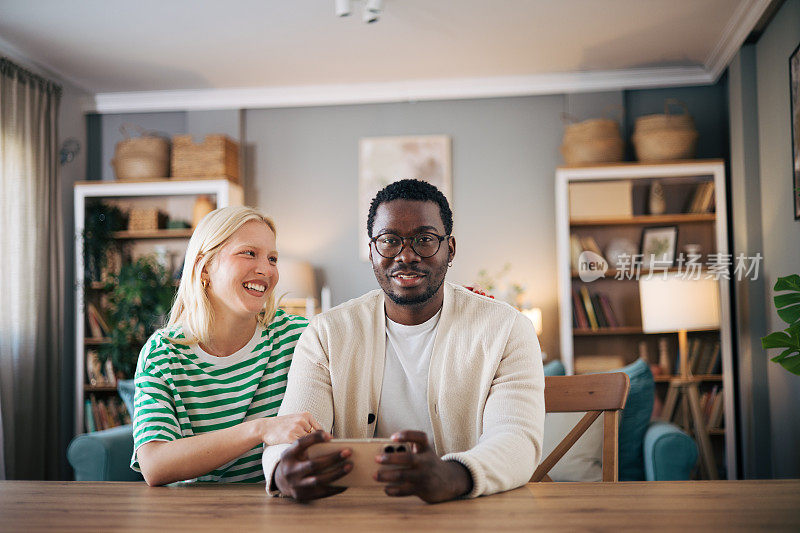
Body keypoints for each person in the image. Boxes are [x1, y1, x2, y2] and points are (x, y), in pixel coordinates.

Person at [262, 179, 544, 502]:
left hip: (469, 515)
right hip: (354, 518)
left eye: (424, 240)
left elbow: (518, 439)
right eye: (389, 240)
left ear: (449, 249)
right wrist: (282, 470)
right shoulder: (325, 334)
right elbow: (291, 432)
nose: (406, 256)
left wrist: (452, 475)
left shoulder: (507, 329)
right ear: (371, 251)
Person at [132, 206, 320, 486]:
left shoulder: (296, 338)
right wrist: (260, 430)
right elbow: (155, 464)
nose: (266, 269)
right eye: (249, 253)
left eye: (272, 258)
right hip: (189, 516)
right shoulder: (163, 352)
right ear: (205, 266)